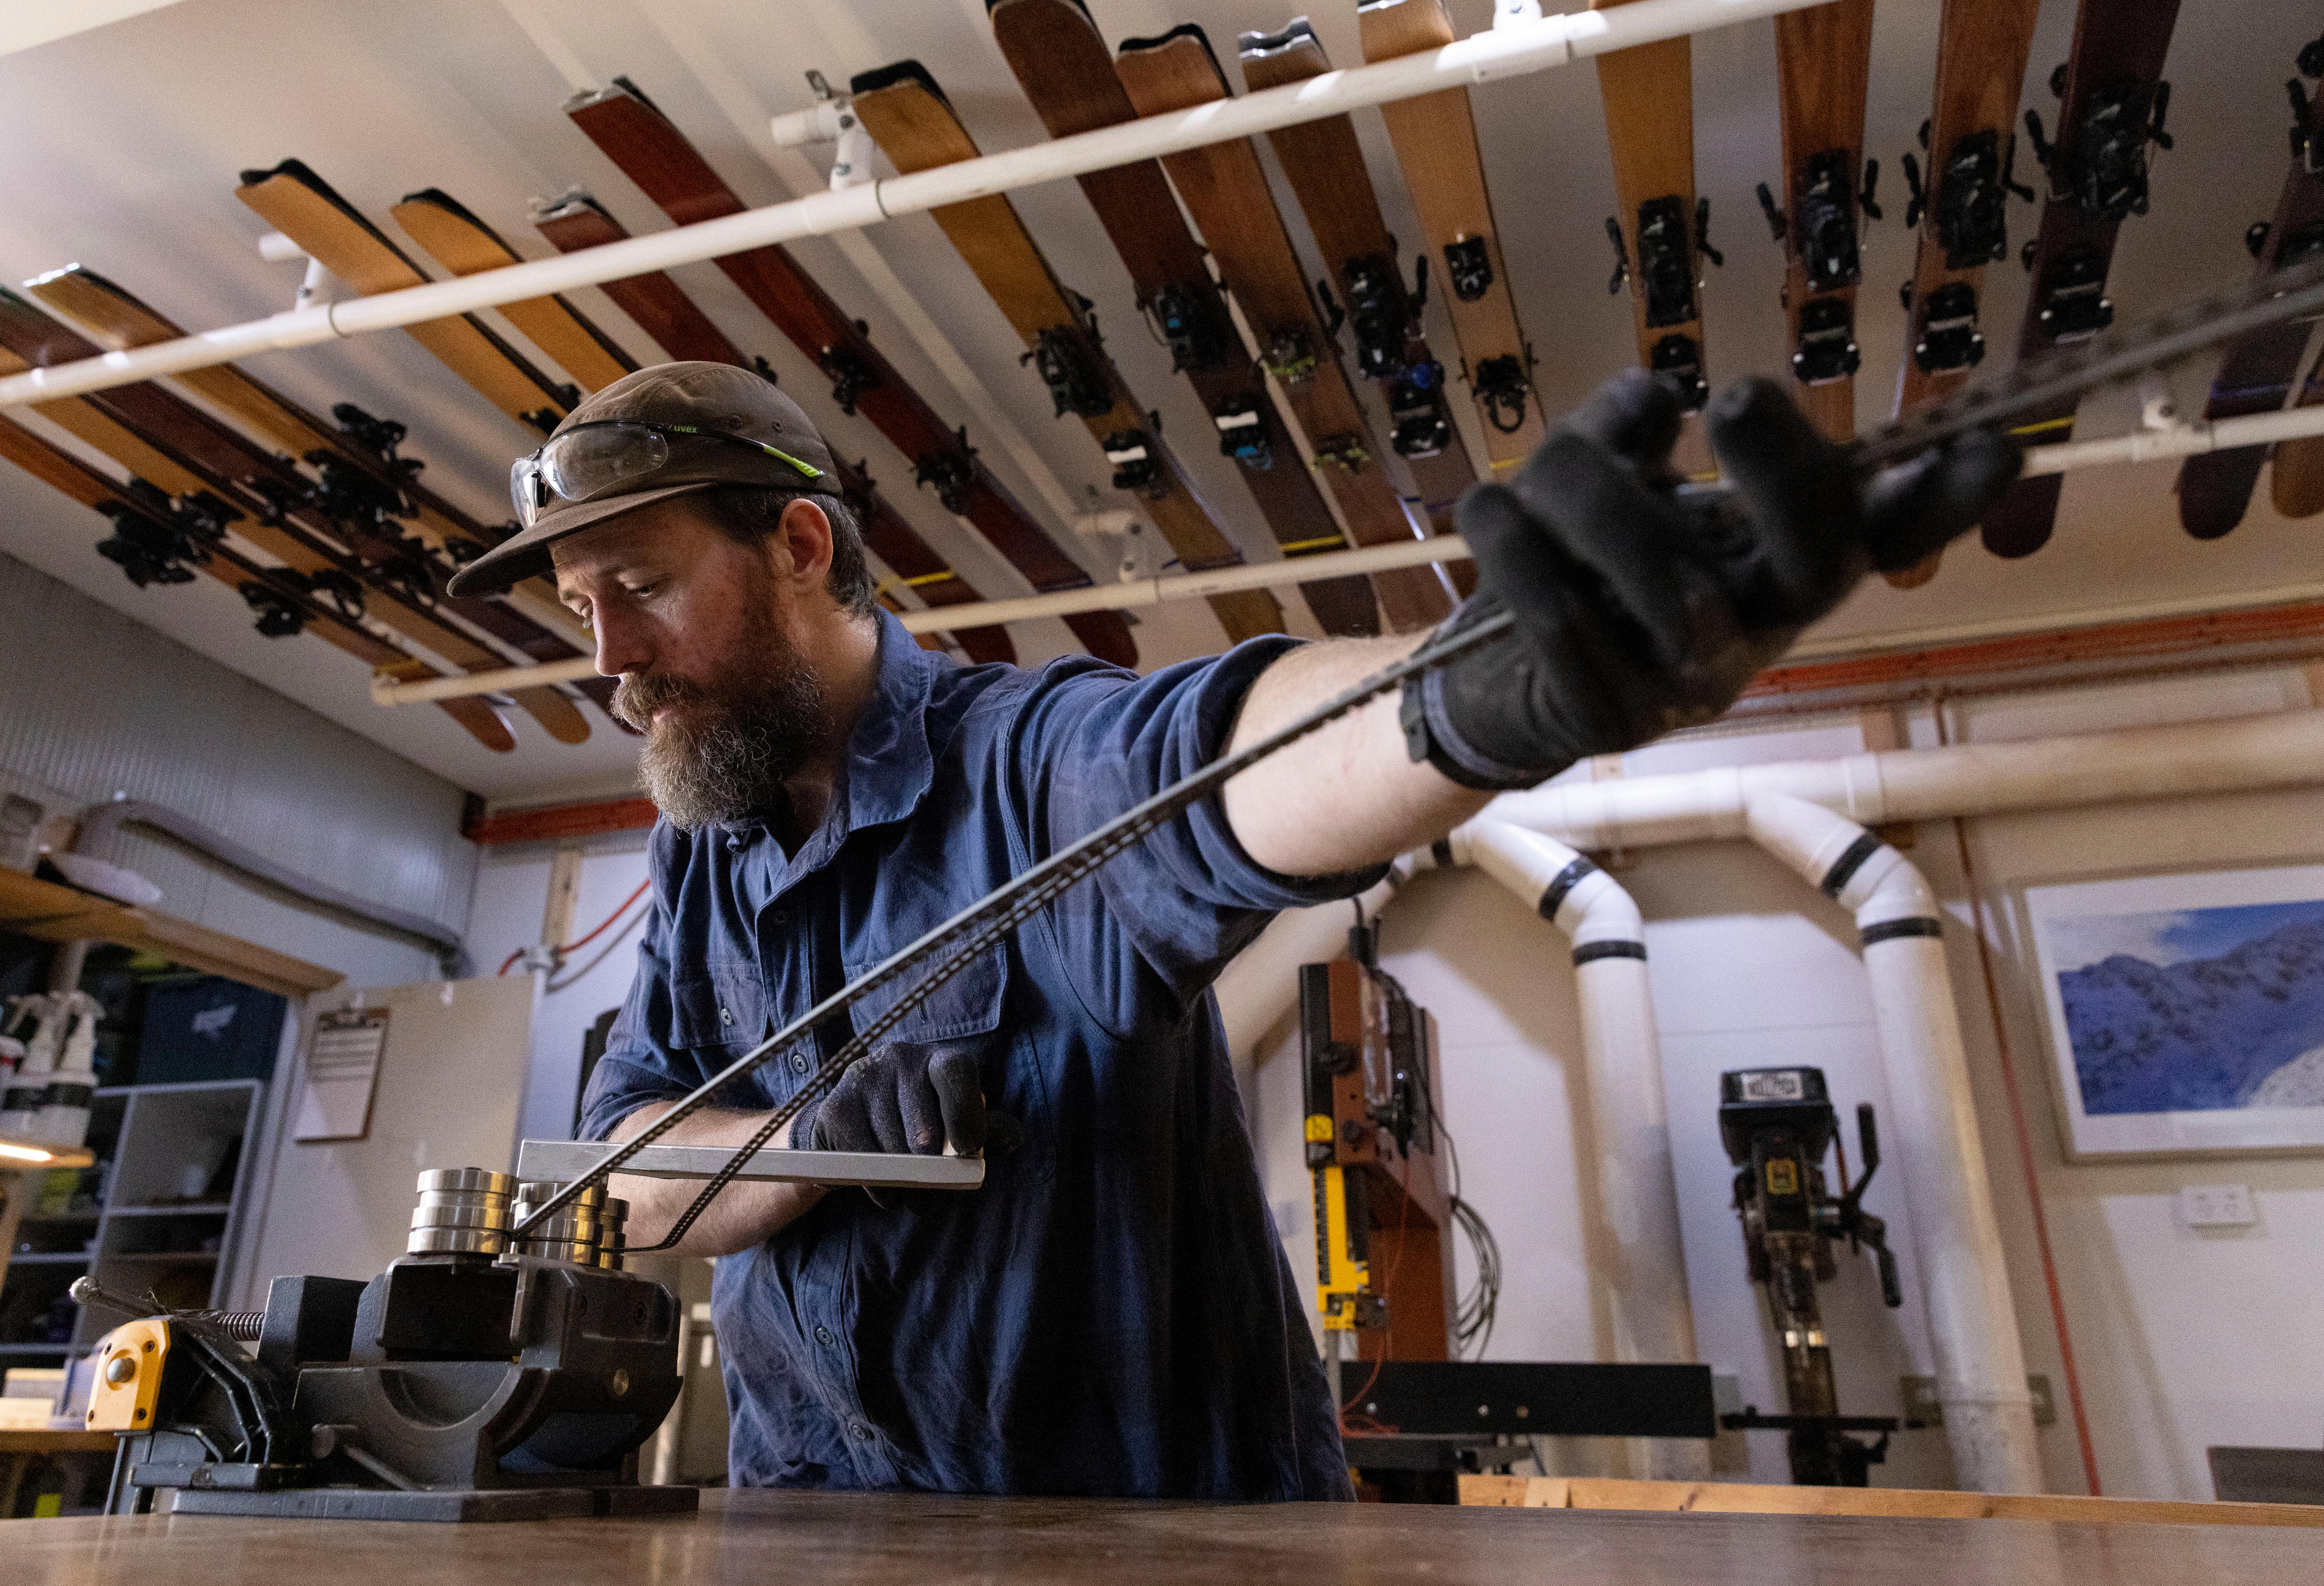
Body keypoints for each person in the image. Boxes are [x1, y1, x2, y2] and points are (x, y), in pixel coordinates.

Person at [450, 360, 2014, 1499]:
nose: (609, 660)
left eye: (641, 587)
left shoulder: (1027, 760)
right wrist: (801, 1139)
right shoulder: (709, 847)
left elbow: (1224, 766)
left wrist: (1481, 696)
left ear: (798, 547)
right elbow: (623, 1189)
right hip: (816, 1524)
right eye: (582, 609)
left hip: (1143, 1537)